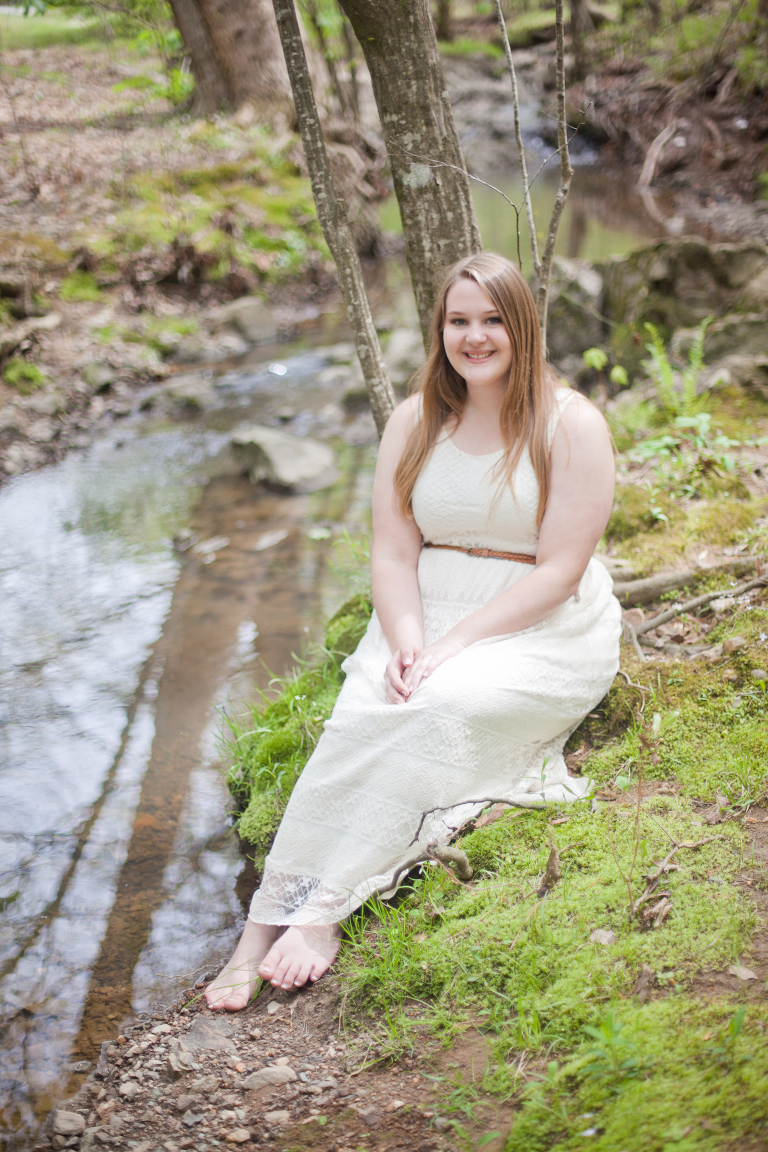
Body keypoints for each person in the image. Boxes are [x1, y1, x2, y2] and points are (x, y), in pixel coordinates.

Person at [205, 251, 621, 1010]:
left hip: (542, 620)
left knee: (441, 704)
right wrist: (405, 640)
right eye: (459, 321)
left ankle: (325, 910)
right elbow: (393, 552)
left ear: (522, 325)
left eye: (493, 319)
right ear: (440, 330)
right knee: (364, 713)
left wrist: (450, 649)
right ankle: (258, 931)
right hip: (424, 608)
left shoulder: (572, 425)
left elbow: (560, 570)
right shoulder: (416, 420)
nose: (475, 336)